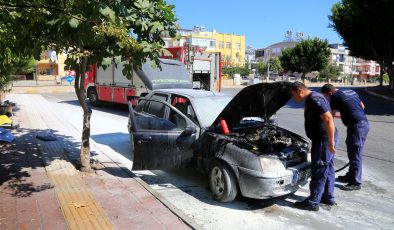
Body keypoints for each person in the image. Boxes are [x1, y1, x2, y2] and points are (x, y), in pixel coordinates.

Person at [290, 82, 338, 211]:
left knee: (319, 170)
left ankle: (313, 202)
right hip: (324, 139)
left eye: (293, 95)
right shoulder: (312, 98)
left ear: (300, 91)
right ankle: (327, 197)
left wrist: (331, 142)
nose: (293, 98)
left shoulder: (315, 99)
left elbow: (328, 119)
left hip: (323, 140)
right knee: (327, 169)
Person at [321, 84, 369, 191]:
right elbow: (362, 106)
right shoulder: (351, 91)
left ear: (329, 93)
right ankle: (351, 175)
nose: (328, 99)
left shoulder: (334, 96)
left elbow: (331, 116)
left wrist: (326, 129)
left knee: (355, 153)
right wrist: (349, 111)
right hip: (362, 124)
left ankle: (356, 182)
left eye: (326, 97)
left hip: (356, 126)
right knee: (353, 151)